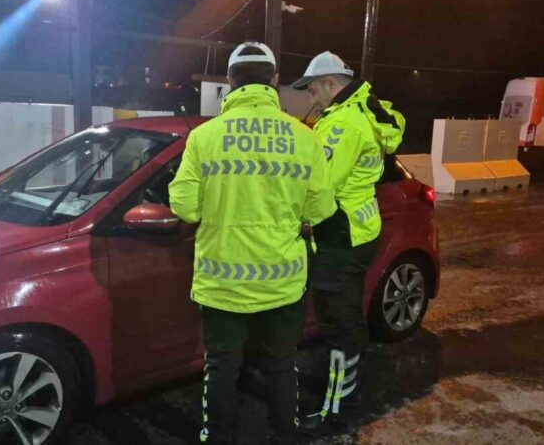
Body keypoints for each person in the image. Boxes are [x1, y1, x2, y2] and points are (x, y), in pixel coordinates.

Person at [169, 41, 335, 444]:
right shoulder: (304, 137)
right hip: (282, 281)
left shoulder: (204, 137)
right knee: (281, 365)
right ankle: (284, 434)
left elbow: (185, 206)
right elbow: (322, 207)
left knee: (222, 367)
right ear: (274, 80)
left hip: (222, 283)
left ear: (230, 80)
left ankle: (218, 438)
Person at [290, 51, 405, 431]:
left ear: (331, 84)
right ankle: (349, 390)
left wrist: (292, 215)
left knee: (339, 323)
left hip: (341, 235)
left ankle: (337, 409)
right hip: (356, 229)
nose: (312, 99)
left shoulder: (344, 125)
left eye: (313, 90)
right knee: (347, 318)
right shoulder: (358, 114)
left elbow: (320, 186)